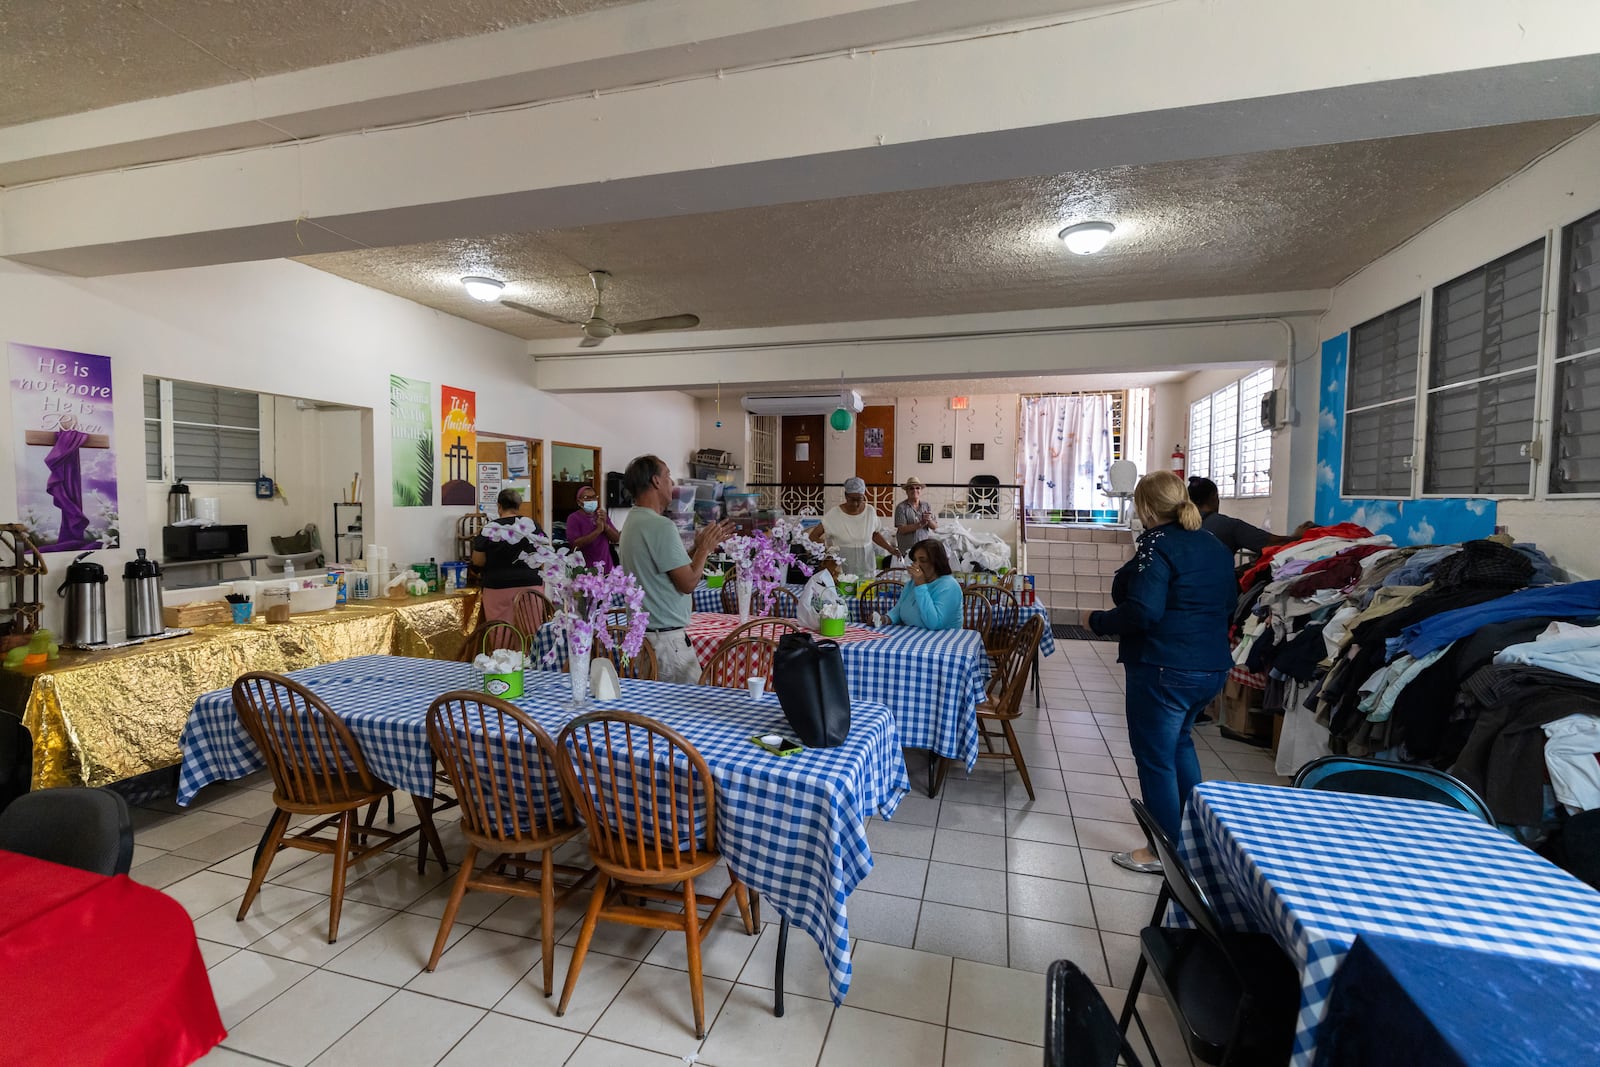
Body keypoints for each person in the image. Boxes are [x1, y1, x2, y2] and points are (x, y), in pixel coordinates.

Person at [1084, 470, 1237, 874]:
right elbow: (1227, 603)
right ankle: (1196, 838)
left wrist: (1097, 621)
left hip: (1165, 666)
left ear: (1146, 508)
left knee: (1155, 759)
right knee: (1181, 745)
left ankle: (1163, 853)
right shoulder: (1213, 544)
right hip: (1211, 665)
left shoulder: (1156, 544)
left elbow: (1144, 611)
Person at [617, 454, 734, 684]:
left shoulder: (633, 522)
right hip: (667, 642)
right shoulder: (660, 526)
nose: (673, 483)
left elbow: (669, 569)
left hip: (647, 638)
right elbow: (688, 583)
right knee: (693, 710)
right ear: (656, 481)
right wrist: (704, 550)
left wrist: (698, 547)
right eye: (668, 476)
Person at [471, 488, 546, 624]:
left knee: (501, 632)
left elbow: (478, 561)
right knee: (531, 630)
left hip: (498, 587)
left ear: (499, 506)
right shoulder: (531, 526)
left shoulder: (490, 529)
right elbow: (543, 554)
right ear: (518, 506)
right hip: (530, 586)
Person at [1187, 476, 1313, 556]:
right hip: (1212, 592)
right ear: (1214, 497)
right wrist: (1298, 536)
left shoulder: (1176, 523)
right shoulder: (1228, 526)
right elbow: (1275, 542)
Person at [808, 476, 898, 576]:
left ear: (863, 496)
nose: (855, 504)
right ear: (846, 496)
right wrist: (826, 550)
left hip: (866, 567)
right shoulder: (834, 515)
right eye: (852, 500)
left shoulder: (870, 512)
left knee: (866, 590)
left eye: (859, 499)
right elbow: (813, 536)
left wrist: (890, 549)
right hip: (842, 569)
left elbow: (874, 534)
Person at [887, 538, 962, 629]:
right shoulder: (912, 584)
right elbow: (898, 610)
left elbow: (934, 623)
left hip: (943, 640)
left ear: (936, 562)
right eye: (915, 560)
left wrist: (921, 585)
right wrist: (885, 619)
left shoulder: (949, 585)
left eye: (923, 560)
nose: (916, 565)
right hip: (912, 636)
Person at [565, 483, 620, 569]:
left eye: (594, 497)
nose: (591, 500)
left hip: (606, 567)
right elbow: (575, 544)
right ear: (579, 501)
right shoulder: (573, 518)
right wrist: (597, 531)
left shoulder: (601, 515)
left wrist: (605, 526)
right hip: (585, 570)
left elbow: (616, 538)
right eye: (587, 498)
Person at [893, 476, 938, 554]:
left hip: (923, 549)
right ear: (906, 491)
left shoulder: (926, 505)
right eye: (911, 488)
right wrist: (921, 523)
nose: (915, 490)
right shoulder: (901, 507)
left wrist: (929, 520)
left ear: (920, 490)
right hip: (906, 550)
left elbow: (935, 527)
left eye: (917, 488)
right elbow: (902, 529)